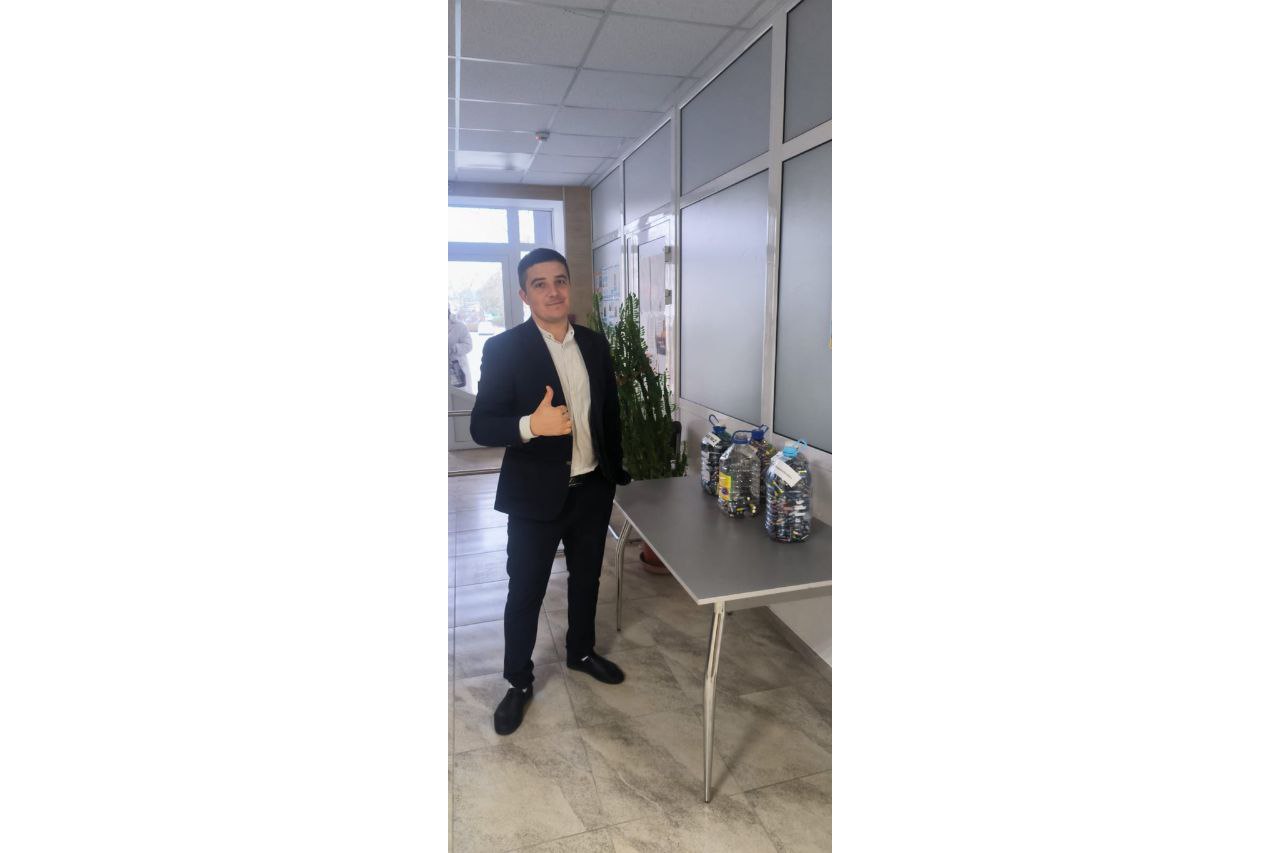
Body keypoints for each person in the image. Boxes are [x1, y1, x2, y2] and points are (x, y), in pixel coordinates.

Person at [469, 247, 631, 735]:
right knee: (526, 590)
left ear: (569, 285)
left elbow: (607, 412)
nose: (553, 291)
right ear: (524, 295)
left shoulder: (594, 345)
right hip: (534, 496)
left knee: (587, 580)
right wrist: (530, 425)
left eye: (560, 280)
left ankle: (581, 651)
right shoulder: (504, 349)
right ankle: (518, 682)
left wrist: (613, 471)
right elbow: (482, 425)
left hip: (592, 489)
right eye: (540, 284)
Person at [447, 308, 472, 389]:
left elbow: (468, 345)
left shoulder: (460, 327)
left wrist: (454, 348)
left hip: (457, 369)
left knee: (459, 394)